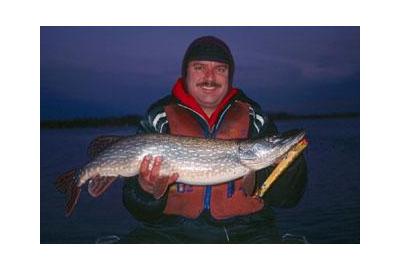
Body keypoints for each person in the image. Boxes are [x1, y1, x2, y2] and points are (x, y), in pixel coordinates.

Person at [119, 36, 308, 243]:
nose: (210, 77)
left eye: (220, 69)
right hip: (171, 234)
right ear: (186, 73)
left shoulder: (255, 118)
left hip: (249, 233)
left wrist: (289, 164)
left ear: (229, 75)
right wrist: (145, 190)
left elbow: (287, 199)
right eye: (199, 67)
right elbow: (136, 208)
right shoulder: (158, 118)